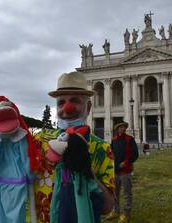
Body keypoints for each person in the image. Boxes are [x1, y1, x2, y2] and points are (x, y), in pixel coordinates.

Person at [33, 71, 115, 223]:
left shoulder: (102, 148)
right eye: (61, 103)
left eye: (74, 100)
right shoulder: (39, 140)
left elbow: (107, 207)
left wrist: (88, 173)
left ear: (88, 107)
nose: (67, 108)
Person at [106, 122, 139, 223]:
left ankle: (126, 213)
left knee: (127, 193)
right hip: (115, 171)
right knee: (115, 193)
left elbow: (135, 154)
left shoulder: (130, 139)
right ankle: (116, 210)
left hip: (126, 171)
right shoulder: (114, 140)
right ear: (117, 129)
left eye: (124, 127)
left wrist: (126, 162)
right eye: (121, 127)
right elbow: (111, 152)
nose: (123, 128)